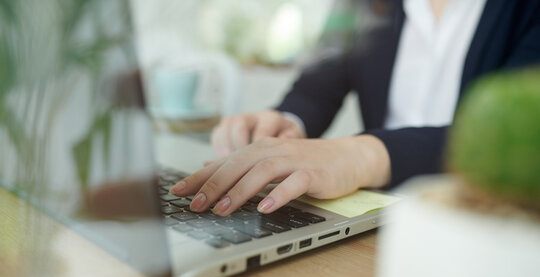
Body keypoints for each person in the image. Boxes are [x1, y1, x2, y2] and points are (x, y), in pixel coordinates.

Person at [171, 0, 540, 216]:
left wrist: (363, 154)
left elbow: (524, 133)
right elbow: (317, 86)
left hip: (489, 225)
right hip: (378, 220)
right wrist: (285, 120)